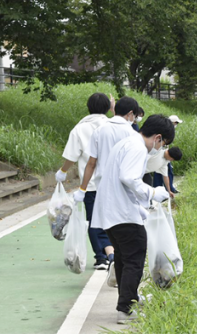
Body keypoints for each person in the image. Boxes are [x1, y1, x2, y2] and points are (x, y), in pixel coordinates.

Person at [90, 114, 175, 324]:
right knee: (134, 259)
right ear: (158, 137)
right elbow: (128, 178)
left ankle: (130, 299)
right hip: (121, 214)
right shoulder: (138, 148)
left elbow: (123, 181)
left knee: (123, 258)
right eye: (163, 143)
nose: (160, 147)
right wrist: (153, 193)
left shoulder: (126, 143)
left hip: (112, 211)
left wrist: (141, 207)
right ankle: (125, 309)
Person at [55, 92, 115, 270]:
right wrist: (113, 110)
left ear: (88, 107)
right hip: (113, 184)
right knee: (112, 220)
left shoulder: (80, 129)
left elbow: (71, 156)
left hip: (90, 185)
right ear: (107, 108)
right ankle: (113, 254)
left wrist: (63, 171)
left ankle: (101, 258)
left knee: (94, 220)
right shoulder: (113, 125)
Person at [153, 114, 183, 193]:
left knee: (166, 172)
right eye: (176, 123)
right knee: (158, 172)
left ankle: (168, 189)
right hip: (161, 154)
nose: (176, 125)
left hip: (166, 155)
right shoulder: (164, 131)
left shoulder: (170, 131)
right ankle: (158, 190)